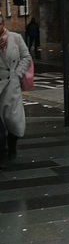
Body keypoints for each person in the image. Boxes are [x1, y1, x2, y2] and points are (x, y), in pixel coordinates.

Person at [0, 14, 31, 168]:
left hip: (12, 86)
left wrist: (17, 74)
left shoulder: (15, 38)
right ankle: (2, 155)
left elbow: (26, 57)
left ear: (3, 23)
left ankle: (12, 146)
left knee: (14, 121)